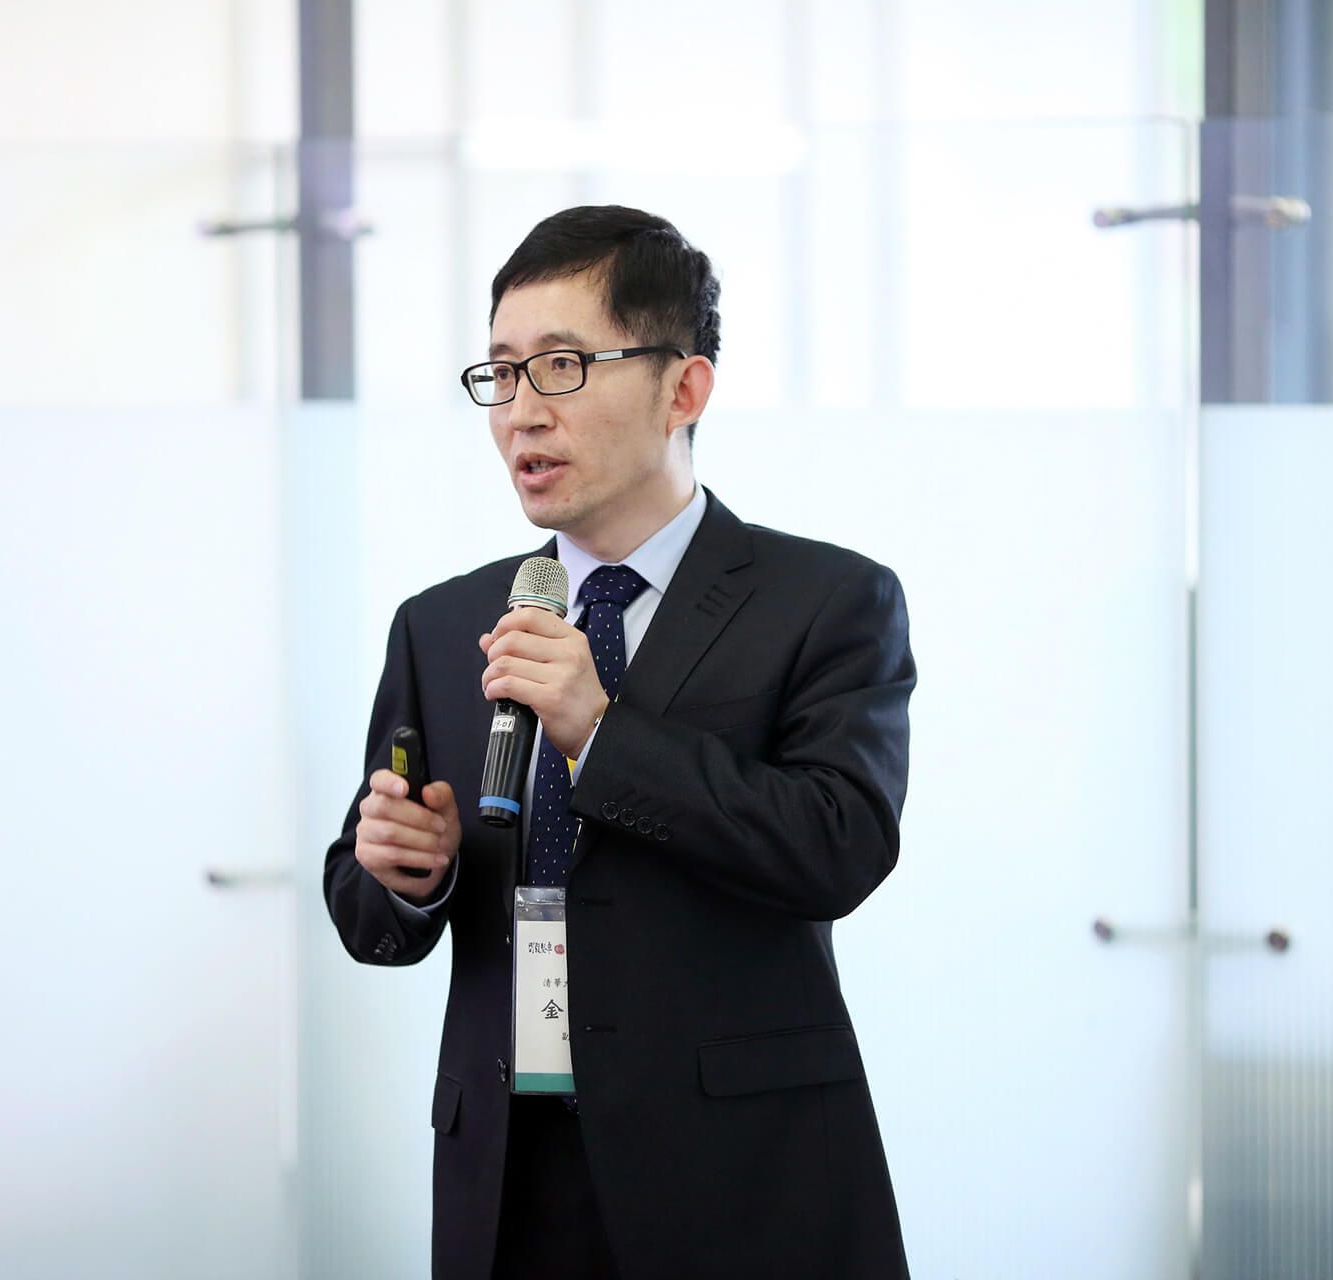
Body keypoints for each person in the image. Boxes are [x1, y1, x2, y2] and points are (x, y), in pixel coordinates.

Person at [323, 205, 915, 1280]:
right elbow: (372, 915)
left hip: (743, 1177)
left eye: (562, 366)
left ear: (682, 389)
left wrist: (601, 733)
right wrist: (405, 872)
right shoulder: (443, 622)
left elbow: (841, 845)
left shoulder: (826, 600)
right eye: (501, 372)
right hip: (508, 1174)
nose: (521, 412)